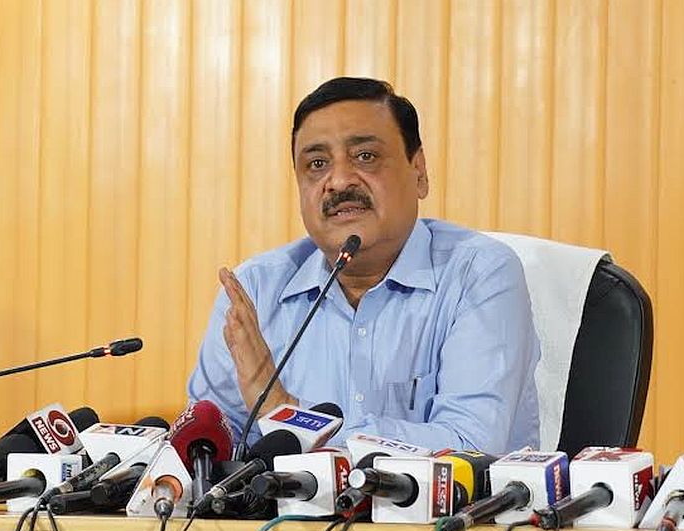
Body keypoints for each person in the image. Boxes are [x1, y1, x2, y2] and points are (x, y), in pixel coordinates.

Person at [187, 77, 540, 454]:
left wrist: (285, 415)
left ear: (419, 172)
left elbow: (471, 446)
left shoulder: (479, 274)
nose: (339, 181)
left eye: (365, 156)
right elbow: (205, 446)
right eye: (317, 164)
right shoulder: (254, 292)